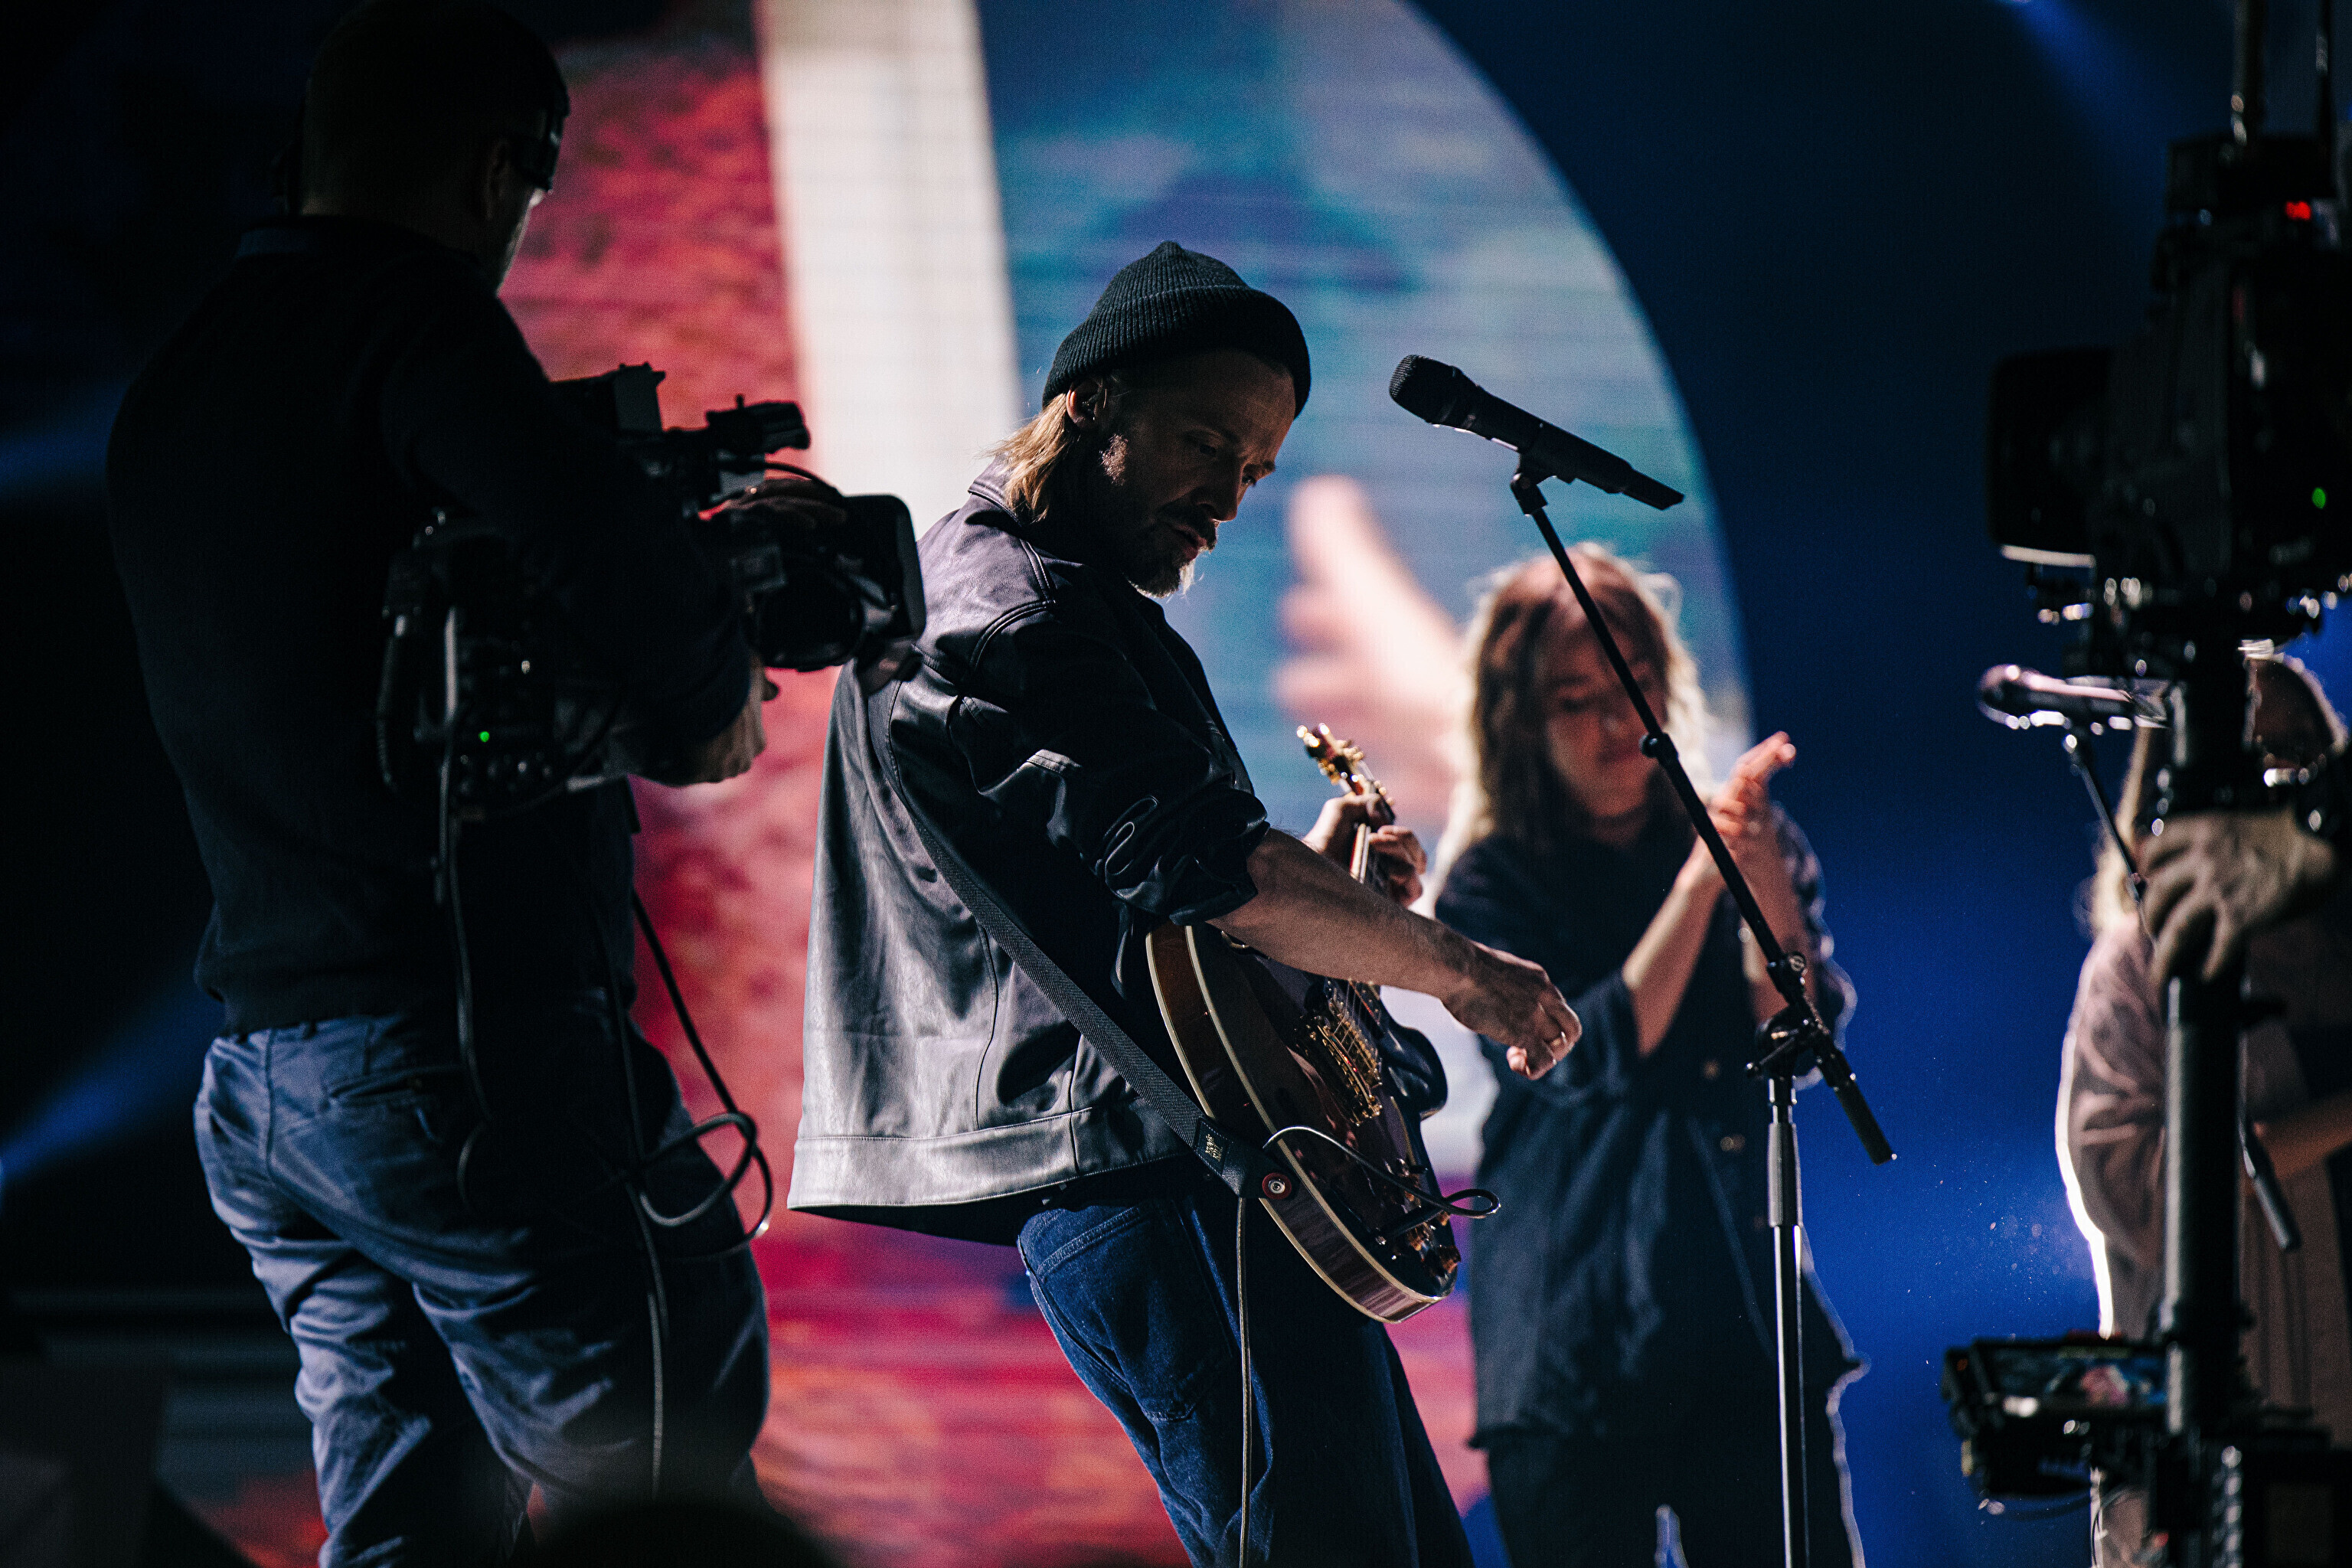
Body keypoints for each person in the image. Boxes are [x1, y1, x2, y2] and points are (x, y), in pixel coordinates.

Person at [104, 4, 809, 1560]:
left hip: (273, 1079)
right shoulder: (415, 326)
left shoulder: (181, 376)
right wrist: (706, 694)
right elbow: (610, 561)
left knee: (407, 1527)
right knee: (667, 1496)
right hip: (457, 1061)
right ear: (501, 169)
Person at [791, 240, 1581, 1567]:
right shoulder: (1012, 610)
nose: (1226, 497)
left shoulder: (1065, 597)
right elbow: (1203, 867)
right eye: (1205, 444)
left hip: (1197, 1169)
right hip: (1156, 1180)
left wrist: (1323, 898)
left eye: (1254, 469)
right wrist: (1461, 971)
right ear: (1091, 404)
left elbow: (1146, 903)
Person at [1428, 550, 1864, 1568]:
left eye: (1632, 688)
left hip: (1740, 1317)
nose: (1614, 723)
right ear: (1521, 723)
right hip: (1569, 1327)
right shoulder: (1491, 883)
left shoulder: (1734, 840)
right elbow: (1589, 1053)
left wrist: (1759, 880)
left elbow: (1798, 1039)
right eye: (1574, 700)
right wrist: (1701, 886)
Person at [2060, 655, 2352, 1566]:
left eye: (2304, 754)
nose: (2282, 779)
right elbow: (2133, 1186)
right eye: (2256, 756)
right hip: (2231, 1441)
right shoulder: (2137, 965)